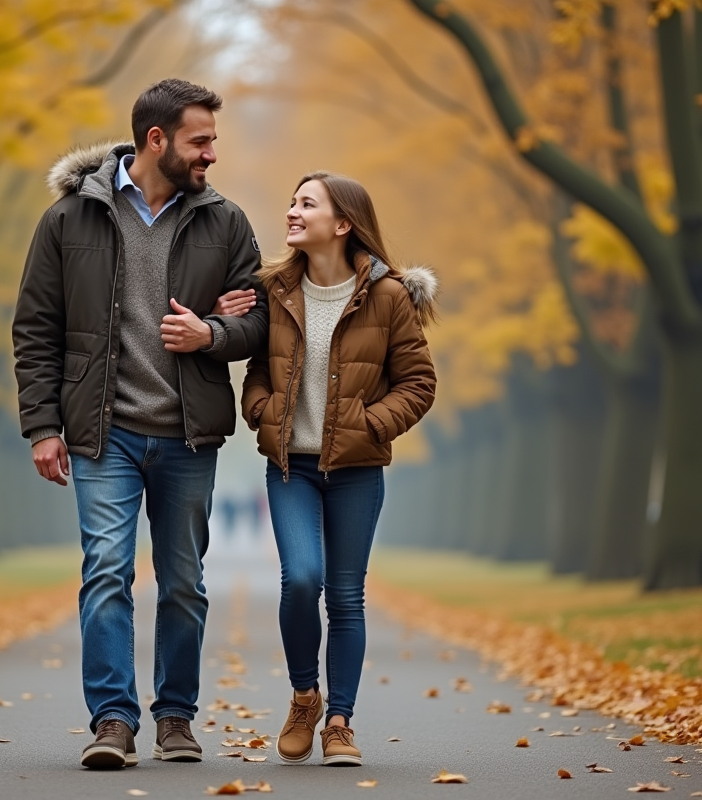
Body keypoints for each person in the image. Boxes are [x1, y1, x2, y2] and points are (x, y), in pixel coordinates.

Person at [12, 78, 268, 770]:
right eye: (201, 140)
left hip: (187, 435)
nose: (212, 154)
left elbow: (259, 322)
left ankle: (176, 718)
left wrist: (211, 334)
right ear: (157, 140)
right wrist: (42, 425)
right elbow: (36, 328)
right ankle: (114, 721)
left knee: (183, 581)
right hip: (104, 432)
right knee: (106, 570)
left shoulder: (227, 222)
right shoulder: (70, 221)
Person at [239, 171, 436, 767]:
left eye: (307, 203)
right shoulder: (274, 289)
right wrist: (263, 411)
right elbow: (255, 374)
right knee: (301, 578)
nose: (292, 211)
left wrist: (372, 425)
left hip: (356, 472)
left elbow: (419, 383)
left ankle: (340, 724)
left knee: (346, 596)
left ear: (343, 223)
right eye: (292, 202)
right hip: (290, 468)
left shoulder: (389, 296)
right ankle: (305, 696)